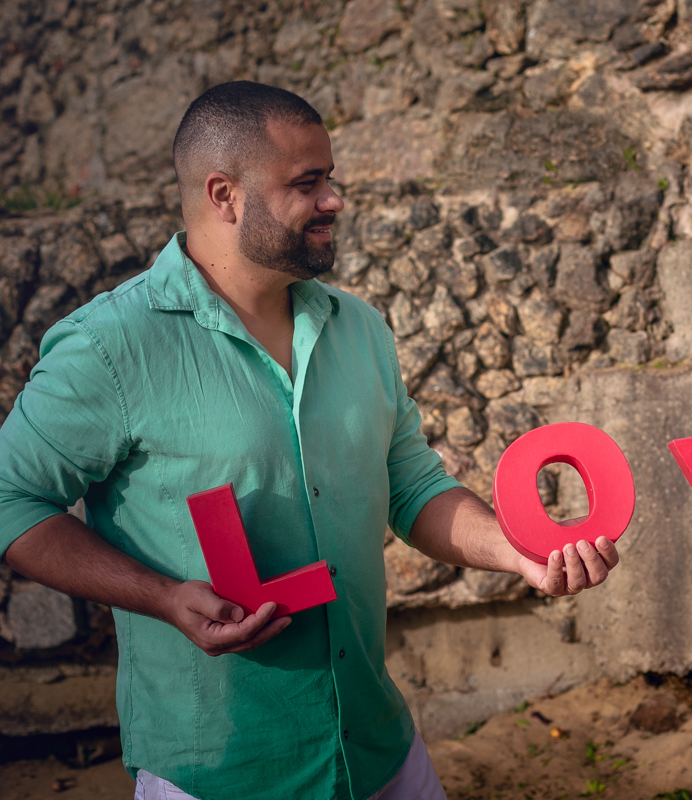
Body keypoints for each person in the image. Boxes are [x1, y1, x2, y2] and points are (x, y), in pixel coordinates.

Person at [0, 81, 620, 800]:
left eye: (331, 178)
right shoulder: (110, 345)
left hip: (382, 752)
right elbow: (13, 501)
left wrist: (517, 554)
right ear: (224, 195)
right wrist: (163, 596)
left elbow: (413, 488)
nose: (334, 200)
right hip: (220, 773)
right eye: (307, 183)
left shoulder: (361, 329)